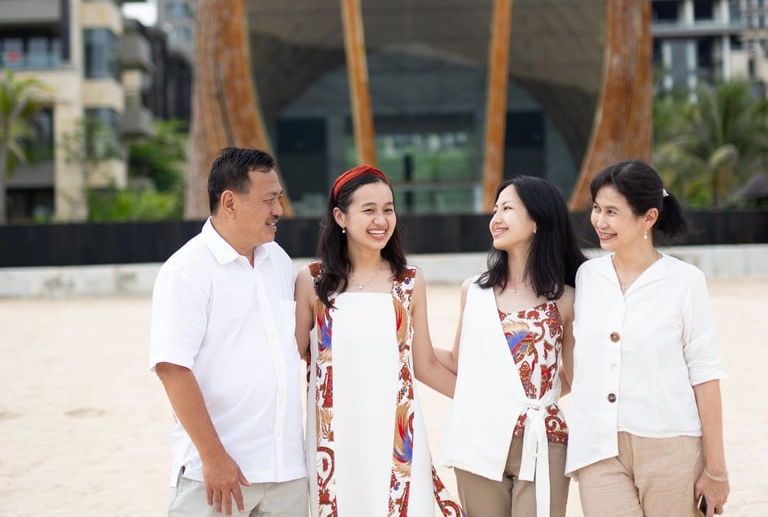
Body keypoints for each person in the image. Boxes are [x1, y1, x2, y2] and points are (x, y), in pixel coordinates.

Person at [294, 164, 466, 517]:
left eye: (388, 209)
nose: (381, 219)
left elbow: (426, 365)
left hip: (398, 440)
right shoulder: (312, 282)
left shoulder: (409, 282)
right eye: (369, 210)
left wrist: (483, 400)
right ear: (340, 216)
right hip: (334, 444)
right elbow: (289, 358)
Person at [565, 159, 730, 517]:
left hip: (671, 447)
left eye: (612, 211)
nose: (599, 222)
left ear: (649, 217)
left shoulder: (685, 281)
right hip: (598, 448)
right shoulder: (586, 278)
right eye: (596, 208)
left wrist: (716, 469)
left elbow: (704, 374)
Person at [150, 147, 307, 517]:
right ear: (230, 202)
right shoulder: (186, 270)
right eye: (269, 200)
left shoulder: (279, 261)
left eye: (279, 199)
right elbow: (171, 368)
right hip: (218, 475)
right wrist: (214, 457)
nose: (278, 211)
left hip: (288, 473)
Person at [437, 176, 586, 517]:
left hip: (543, 439)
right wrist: (407, 344)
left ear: (537, 220)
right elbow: (460, 362)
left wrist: (538, 399)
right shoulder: (472, 291)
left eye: (507, 208)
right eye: (495, 209)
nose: (496, 218)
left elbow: (579, 377)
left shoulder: (567, 299)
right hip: (479, 435)